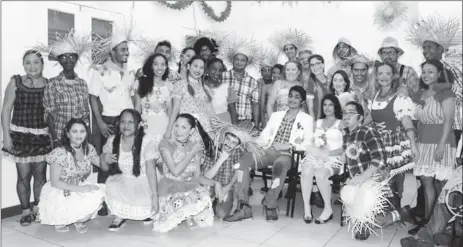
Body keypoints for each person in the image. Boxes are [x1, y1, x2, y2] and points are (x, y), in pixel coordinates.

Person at [224, 86, 314, 222]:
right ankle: (243, 207)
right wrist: (252, 144)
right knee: (242, 163)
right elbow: (264, 137)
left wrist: (289, 145)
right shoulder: (276, 115)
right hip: (268, 150)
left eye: (297, 97)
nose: (292, 99)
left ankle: (270, 203)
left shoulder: (307, 119)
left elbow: (308, 143)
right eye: (290, 95)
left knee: (280, 166)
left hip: (287, 154)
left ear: (302, 101)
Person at [1, 50, 52, 226]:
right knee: (23, 177)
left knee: (41, 176)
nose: (32, 66)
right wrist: (6, 137)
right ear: (23, 65)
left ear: (42, 64)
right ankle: (25, 211)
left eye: (36, 62)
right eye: (28, 63)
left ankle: (38, 209)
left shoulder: (49, 84)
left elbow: (51, 112)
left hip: (42, 137)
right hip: (20, 136)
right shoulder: (16, 82)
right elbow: (6, 109)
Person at [89, 31, 136, 216]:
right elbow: (92, 97)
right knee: (105, 163)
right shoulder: (100, 69)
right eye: (123, 49)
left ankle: (121, 200)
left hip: (127, 121)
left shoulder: (129, 72)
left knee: (126, 162)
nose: (127, 53)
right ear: (113, 51)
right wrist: (99, 122)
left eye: (127, 50)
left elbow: (131, 98)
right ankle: (102, 202)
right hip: (108, 120)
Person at [341, 101, 401, 240]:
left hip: (375, 180)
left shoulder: (367, 131)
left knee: (367, 223)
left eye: (351, 112)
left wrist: (363, 177)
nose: (346, 116)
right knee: (347, 195)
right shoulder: (347, 136)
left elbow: (380, 159)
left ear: (360, 118)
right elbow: (346, 160)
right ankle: (379, 216)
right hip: (358, 180)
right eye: (344, 113)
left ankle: (397, 214)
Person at [410, 59, 457, 234]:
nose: (426, 75)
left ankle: (441, 225)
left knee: (441, 183)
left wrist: (441, 146)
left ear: (439, 73)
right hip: (423, 141)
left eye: (431, 71)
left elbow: (449, 120)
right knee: (426, 181)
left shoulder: (446, 93)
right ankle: (428, 221)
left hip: (441, 141)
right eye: (424, 72)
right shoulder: (420, 94)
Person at [38, 118, 105, 233]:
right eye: (74, 131)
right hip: (60, 189)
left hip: (78, 185)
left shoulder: (88, 149)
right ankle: (60, 218)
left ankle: (77, 219)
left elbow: (102, 164)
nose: (79, 135)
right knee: (70, 208)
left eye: (82, 131)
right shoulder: (60, 152)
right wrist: (82, 189)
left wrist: (109, 155)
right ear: (68, 133)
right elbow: (55, 182)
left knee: (100, 192)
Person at [152, 114, 216, 232]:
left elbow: (196, 176)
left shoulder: (195, 146)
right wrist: (191, 153)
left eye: (183, 127)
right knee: (174, 212)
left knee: (204, 195)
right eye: (176, 126)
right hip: (169, 186)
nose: (178, 130)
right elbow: (175, 172)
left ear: (191, 131)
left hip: (187, 185)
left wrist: (215, 183)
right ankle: (179, 213)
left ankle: (187, 213)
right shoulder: (165, 144)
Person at [369, 62, 419, 208]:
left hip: (394, 144)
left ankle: (396, 211)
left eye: (388, 73)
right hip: (378, 143)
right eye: (380, 73)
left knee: (395, 181)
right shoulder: (375, 95)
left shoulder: (400, 97)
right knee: (380, 179)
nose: (384, 77)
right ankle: (384, 210)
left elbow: (407, 122)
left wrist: (413, 145)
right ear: (376, 76)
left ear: (393, 76)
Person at [101, 109, 158, 231]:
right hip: (125, 180)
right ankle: (120, 215)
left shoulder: (147, 141)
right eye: (122, 122)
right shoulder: (113, 140)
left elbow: (151, 171)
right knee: (111, 185)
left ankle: (144, 212)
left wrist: (155, 196)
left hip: (145, 180)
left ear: (138, 125)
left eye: (130, 122)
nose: (126, 125)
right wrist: (104, 157)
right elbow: (105, 168)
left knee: (148, 206)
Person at [300, 95, 344, 224]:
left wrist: (328, 153)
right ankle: (307, 208)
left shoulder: (340, 124)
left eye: (330, 104)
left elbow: (346, 146)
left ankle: (328, 209)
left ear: (335, 106)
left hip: (333, 158)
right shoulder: (317, 123)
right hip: (315, 155)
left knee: (320, 173)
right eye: (325, 105)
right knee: (306, 170)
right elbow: (309, 141)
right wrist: (316, 149)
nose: (327, 107)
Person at [43, 35, 91, 147]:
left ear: (76, 59)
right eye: (64, 57)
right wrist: (55, 139)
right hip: (60, 135)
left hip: (79, 137)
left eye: (72, 57)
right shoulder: (53, 83)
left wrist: (88, 134)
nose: (68, 60)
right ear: (59, 60)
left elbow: (85, 112)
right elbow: (48, 114)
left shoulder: (83, 84)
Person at [134, 53, 179, 145]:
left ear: (166, 67)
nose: (160, 67)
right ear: (151, 66)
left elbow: (170, 112)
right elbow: (137, 109)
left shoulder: (170, 86)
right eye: (156, 64)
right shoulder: (140, 83)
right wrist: (135, 127)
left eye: (163, 64)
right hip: (146, 127)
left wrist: (170, 130)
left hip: (164, 127)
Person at [172, 56, 216, 139]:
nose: (198, 70)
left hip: (205, 129)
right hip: (186, 128)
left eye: (201, 68)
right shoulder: (180, 84)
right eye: (195, 66)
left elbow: (210, 111)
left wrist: (218, 126)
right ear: (188, 66)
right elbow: (176, 108)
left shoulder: (205, 88)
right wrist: (170, 128)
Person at [221, 46, 260, 132]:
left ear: (247, 63)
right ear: (233, 61)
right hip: (224, 120)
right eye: (237, 59)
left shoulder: (253, 81)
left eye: (243, 60)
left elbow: (255, 104)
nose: (239, 62)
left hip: (245, 123)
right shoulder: (223, 76)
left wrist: (256, 125)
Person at [204, 57, 238, 124]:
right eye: (214, 69)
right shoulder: (200, 87)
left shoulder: (227, 88)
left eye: (220, 70)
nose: (217, 72)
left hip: (223, 125)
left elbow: (233, 111)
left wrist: (235, 129)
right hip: (205, 125)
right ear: (207, 70)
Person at [305, 54, 330, 120]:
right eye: (312, 65)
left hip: (330, 119)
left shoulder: (330, 80)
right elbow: (310, 107)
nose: (315, 67)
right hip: (318, 120)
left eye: (317, 63)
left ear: (323, 64)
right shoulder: (311, 83)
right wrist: (313, 122)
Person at [260, 64, 283, 128]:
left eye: (279, 73)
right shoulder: (265, 87)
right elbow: (262, 109)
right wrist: (264, 126)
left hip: (283, 119)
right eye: (274, 72)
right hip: (269, 119)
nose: (276, 75)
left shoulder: (286, 87)